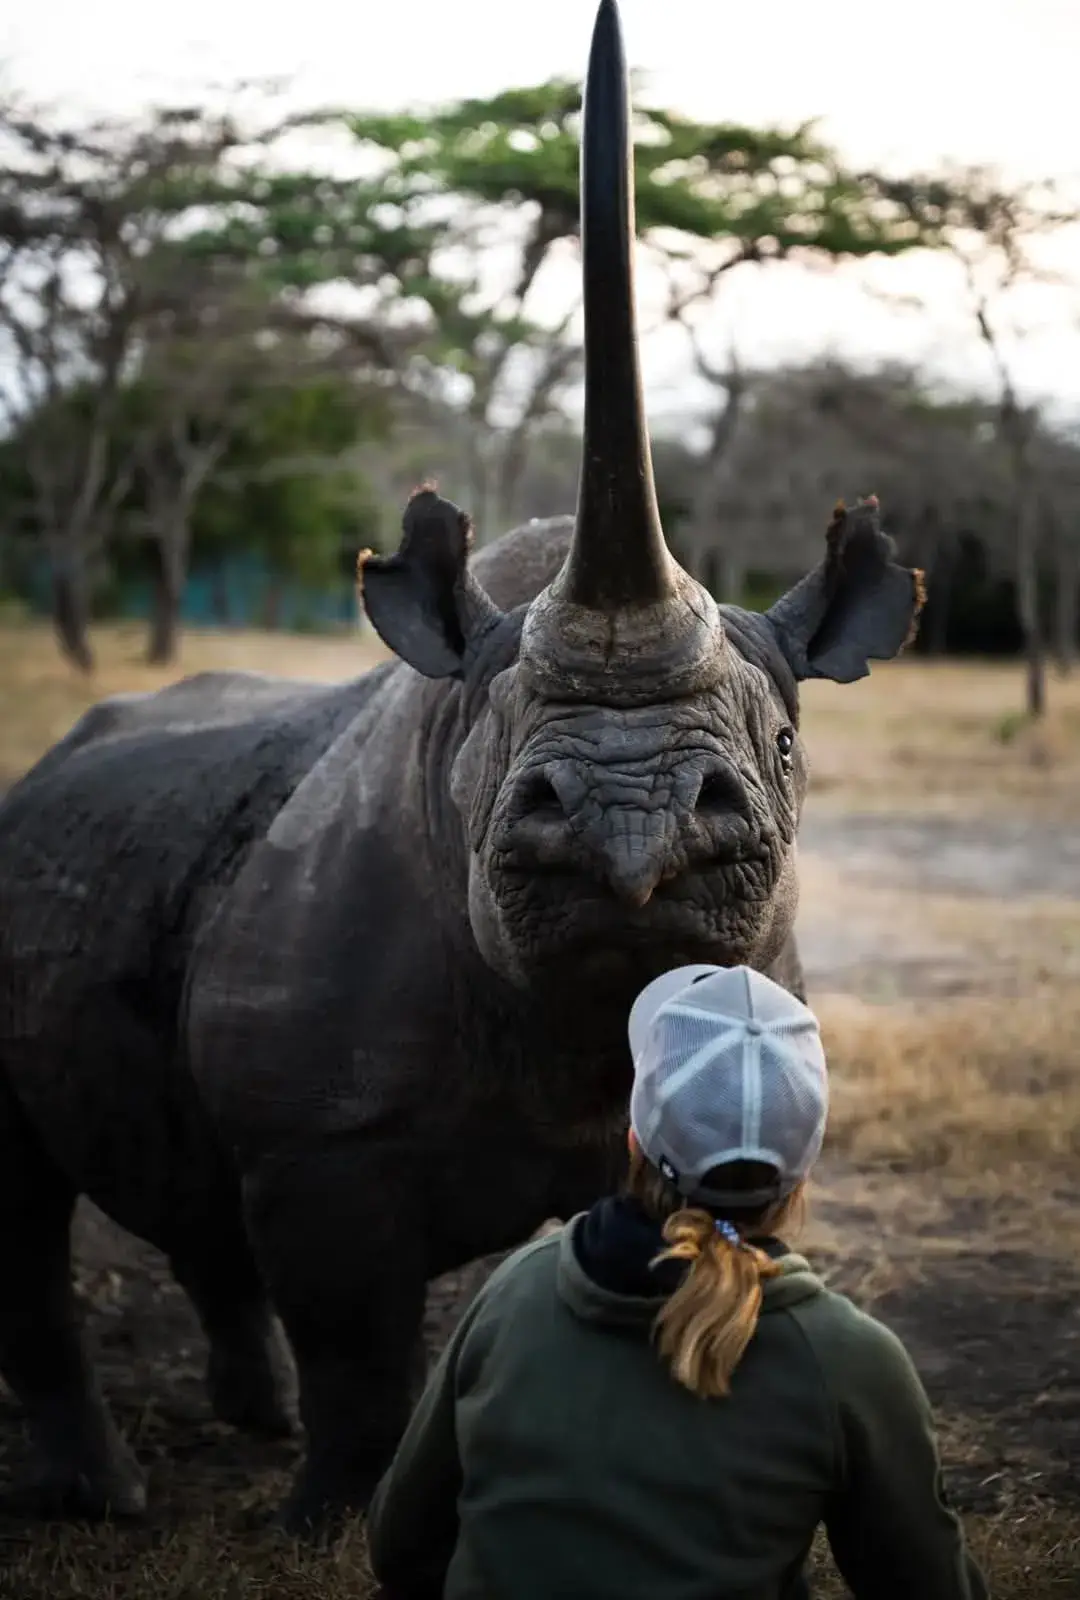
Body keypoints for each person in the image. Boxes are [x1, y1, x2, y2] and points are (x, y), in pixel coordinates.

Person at [366, 964, 988, 1600]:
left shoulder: (516, 1291)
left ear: (634, 1140)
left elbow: (399, 1545)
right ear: (805, 1167)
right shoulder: (848, 1361)